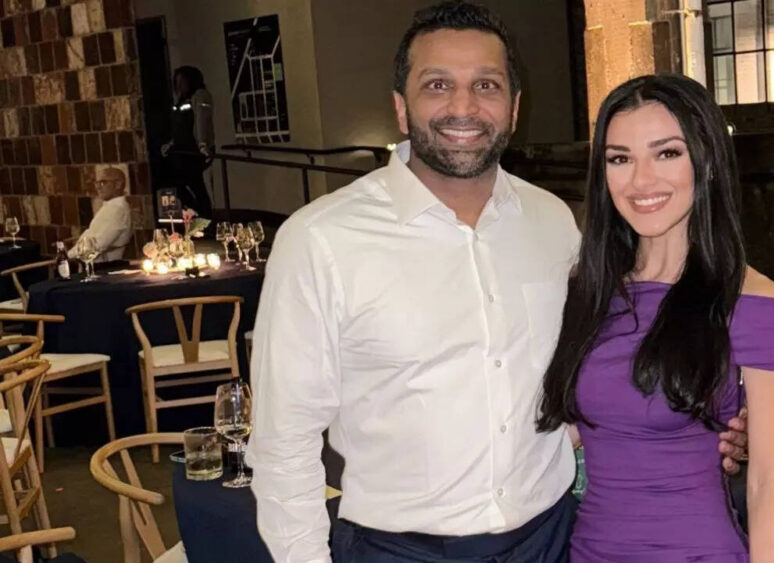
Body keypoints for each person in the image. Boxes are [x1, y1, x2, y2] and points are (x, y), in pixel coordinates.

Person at [247, 3, 746, 562]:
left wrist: (718, 421)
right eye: (437, 84)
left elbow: (612, 357)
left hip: (551, 539)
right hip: (399, 551)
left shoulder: (554, 223)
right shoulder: (321, 240)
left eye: (485, 85)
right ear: (400, 107)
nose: (463, 106)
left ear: (513, 107)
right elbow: (282, 444)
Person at [537, 73, 774, 562]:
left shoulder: (756, 304)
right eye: (620, 158)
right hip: (591, 551)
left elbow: (771, 488)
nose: (641, 181)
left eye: (667, 153)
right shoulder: (589, 289)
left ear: (705, 162)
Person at [161, 66, 214, 219]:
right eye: (177, 81)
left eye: (182, 81)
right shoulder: (181, 100)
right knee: (183, 184)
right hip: (181, 150)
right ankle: (199, 214)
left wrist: (203, 144)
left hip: (193, 151)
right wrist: (171, 144)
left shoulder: (200, 96)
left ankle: (204, 215)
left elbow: (202, 121)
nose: (179, 85)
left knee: (193, 183)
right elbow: (179, 127)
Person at [68, 167, 131, 263]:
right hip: (90, 262)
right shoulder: (111, 207)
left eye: (103, 182)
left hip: (103, 267)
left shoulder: (117, 210)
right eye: (96, 183)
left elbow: (99, 243)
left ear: (118, 184)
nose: (98, 187)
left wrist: (68, 256)